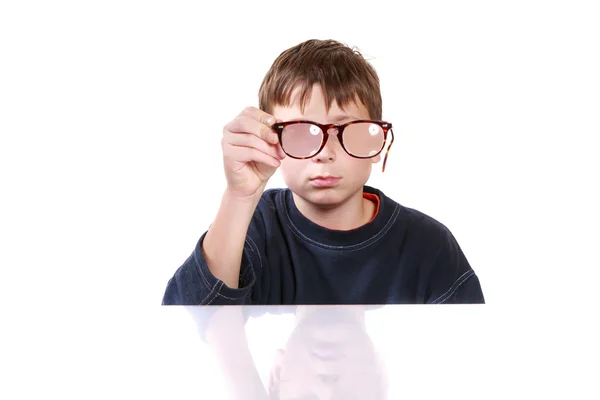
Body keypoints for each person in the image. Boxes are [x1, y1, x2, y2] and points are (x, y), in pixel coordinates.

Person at [162, 39, 485, 305]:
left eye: (348, 131)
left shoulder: (427, 244)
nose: (325, 155)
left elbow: (464, 356)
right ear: (270, 140)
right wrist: (239, 196)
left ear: (378, 141)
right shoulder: (251, 228)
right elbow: (188, 330)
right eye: (301, 132)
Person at [190, 305, 388, 399]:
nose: (327, 388)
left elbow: (208, 300)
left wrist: (245, 386)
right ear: (379, 376)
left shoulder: (251, 276)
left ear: (277, 373)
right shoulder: (414, 273)